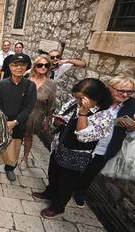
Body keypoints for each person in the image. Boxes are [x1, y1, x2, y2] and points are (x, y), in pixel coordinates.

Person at [32, 78, 113, 218]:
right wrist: (56, 121)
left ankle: (58, 207)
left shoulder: (104, 116)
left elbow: (83, 136)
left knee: (67, 183)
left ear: (96, 98)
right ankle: (49, 192)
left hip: (77, 155)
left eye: (81, 98)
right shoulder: (72, 103)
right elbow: (60, 116)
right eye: (76, 97)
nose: (77, 101)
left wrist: (83, 112)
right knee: (54, 173)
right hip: (61, 146)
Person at [73, 75, 135, 207]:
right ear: (110, 88)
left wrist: (132, 127)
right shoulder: (99, 99)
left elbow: (131, 132)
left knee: (91, 171)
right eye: (121, 90)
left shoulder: (132, 105)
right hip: (87, 140)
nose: (125, 94)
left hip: (107, 146)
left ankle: (80, 192)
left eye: (130, 92)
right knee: (75, 166)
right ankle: (67, 187)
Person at [0, 54, 37, 181]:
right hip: (2, 122)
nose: (19, 68)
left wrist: (15, 122)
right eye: (15, 65)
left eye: (22, 65)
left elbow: (29, 107)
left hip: (19, 123)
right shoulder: (1, 85)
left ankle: (10, 168)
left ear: (26, 67)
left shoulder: (30, 86)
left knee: (15, 146)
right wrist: (5, 122)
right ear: (10, 67)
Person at [19, 55, 57, 170]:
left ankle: (24, 158)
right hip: (20, 113)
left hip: (35, 116)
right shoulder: (26, 78)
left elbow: (51, 106)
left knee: (28, 137)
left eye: (46, 65)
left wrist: (47, 122)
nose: (43, 67)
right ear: (35, 67)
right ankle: (9, 159)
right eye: (40, 65)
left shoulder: (52, 84)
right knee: (14, 137)